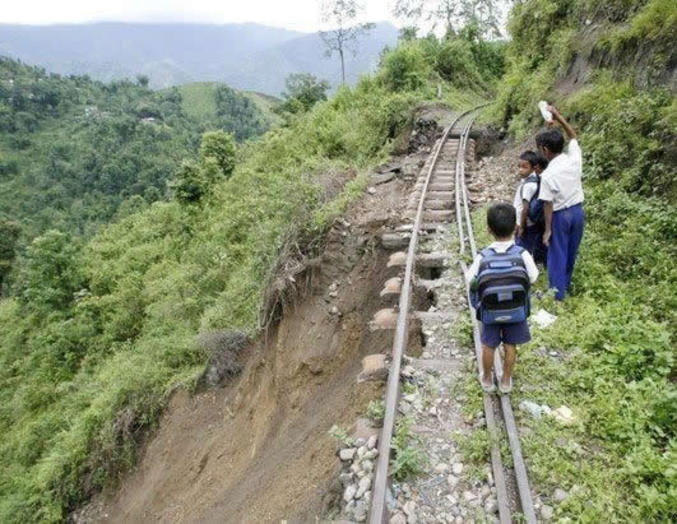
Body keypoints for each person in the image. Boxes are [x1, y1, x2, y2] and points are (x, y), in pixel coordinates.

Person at [466, 203, 538, 394]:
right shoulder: (522, 254)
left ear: (489, 229)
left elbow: (470, 279)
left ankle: (487, 379)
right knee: (510, 345)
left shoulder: (483, 257)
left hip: (490, 312)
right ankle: (506, 381)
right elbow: (533, 276)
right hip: (516, 312)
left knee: (489, 346)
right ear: (515, 227)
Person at [536, 105, 584, 301]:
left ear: (546, 150)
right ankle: (565, 286)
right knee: (571, 251)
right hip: (578, 213)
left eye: (540, 148)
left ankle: (557, 296)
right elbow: (573, 136)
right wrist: (558, 117)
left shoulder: (548, 175)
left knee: (557, 254)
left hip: (560, 216)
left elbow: (548, 204)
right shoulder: (574, 159)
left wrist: (547, 230)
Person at [513, 150, 540, 257]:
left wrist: (521, 227)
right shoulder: (529, 180)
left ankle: (524, 270)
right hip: (525, 223)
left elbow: (525, 208)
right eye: (519, 166)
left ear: (534, 168)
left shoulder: (529, 186)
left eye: (524, 167)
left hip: (525, 225)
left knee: (522, 251)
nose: (520, 170)